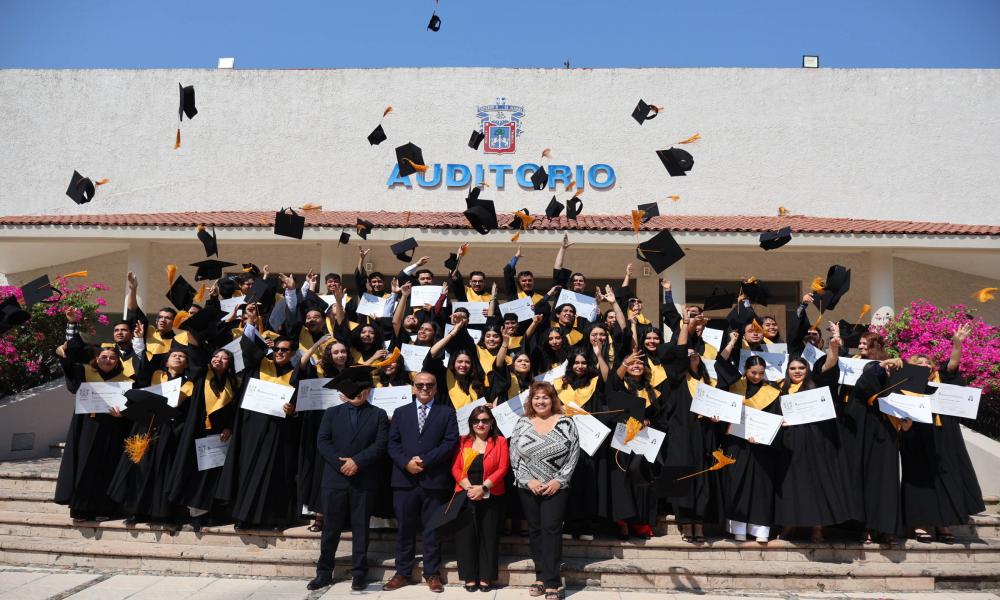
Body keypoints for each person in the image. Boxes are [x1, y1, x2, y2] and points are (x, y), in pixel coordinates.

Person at [901, 323, 984, 543]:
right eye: (919, 363)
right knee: (919, 479)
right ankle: (920, 524)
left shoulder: (943, 381)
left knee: (947, 478)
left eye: (928, 362)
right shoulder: (907, 386)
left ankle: (943, 524)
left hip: (945, 437)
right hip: (917, 437)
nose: (925, 365)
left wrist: (957, 344)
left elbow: (953, 365)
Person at [308, 367, 389, 592]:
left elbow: (381, 444)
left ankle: (359, 574)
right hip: (335, 479)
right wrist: (342, 463)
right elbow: (323, 441)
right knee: (331, 529)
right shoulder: (332, 413)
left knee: (361, 528)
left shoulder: (378, 414)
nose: (359, 394)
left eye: (364, 389)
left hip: (364, 480)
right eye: (355, 390)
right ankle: (324, 573)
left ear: (368, 391)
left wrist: (357, 462)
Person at [383, 372, 459, 593]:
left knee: (432, 530)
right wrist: (407, 463)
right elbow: (392, 444)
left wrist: (425, 461)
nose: (425, 388)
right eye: (420, 385)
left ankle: (432, 573)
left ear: (436, 388)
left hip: (433, 479)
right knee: (405, 528)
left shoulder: (446, 412)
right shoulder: (400, 412)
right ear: (413, 388)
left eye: (430, 385)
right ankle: (402, 572)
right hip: (404, 480)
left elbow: (450, 442)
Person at [53, 314, 132, 522]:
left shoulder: (125, 381)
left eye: (112, 358)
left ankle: (105, 509)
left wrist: (123, 414)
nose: (108, 360)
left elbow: (131, 407)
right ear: (97, 358)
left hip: (112, 429)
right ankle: (81, 510)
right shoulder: (85, 371)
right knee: (84, 466)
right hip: (87, 426)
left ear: (118, 362)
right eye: (104, 357)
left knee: (108, 467)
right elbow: (70, 357)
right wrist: (71, 324)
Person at [509, 381, 580, 600]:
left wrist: (560, 480)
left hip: (556, 487)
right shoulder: (522, 423)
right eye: (536, 397)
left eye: (545, 397)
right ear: (531, 401)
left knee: (551, 529)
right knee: (535, 530)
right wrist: (527, 479)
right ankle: (540, 576)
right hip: (528, 486)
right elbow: (514, 454)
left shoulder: (566, 422)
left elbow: (574, 453)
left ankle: (552, 581)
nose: (541, 401)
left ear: (553, 400)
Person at [167, 347, 238, 530]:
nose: (218, 359)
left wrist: (229, 426)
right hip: (195, 431)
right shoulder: (200, 376)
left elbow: (233, 409)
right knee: (191, 471)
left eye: (224, 358)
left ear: (230, 363)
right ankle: (190, 514)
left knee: (209, 475)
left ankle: (203, 513)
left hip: (216, 435)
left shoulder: (232, 382)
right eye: (215, 356)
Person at [452, 405, 509, 592]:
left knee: (489, 535)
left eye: (485, 420)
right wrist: (468, 487)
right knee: (465, 536)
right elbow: (456, 468)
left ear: (491, 422)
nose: (480, 424)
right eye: (476, 421)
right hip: (466, 492)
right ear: (470, 424)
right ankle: (469, 576)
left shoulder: (499, 441)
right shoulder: (462, 442)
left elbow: (503, 468)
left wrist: (483, 488)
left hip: (491, 493)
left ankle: (486, 576)